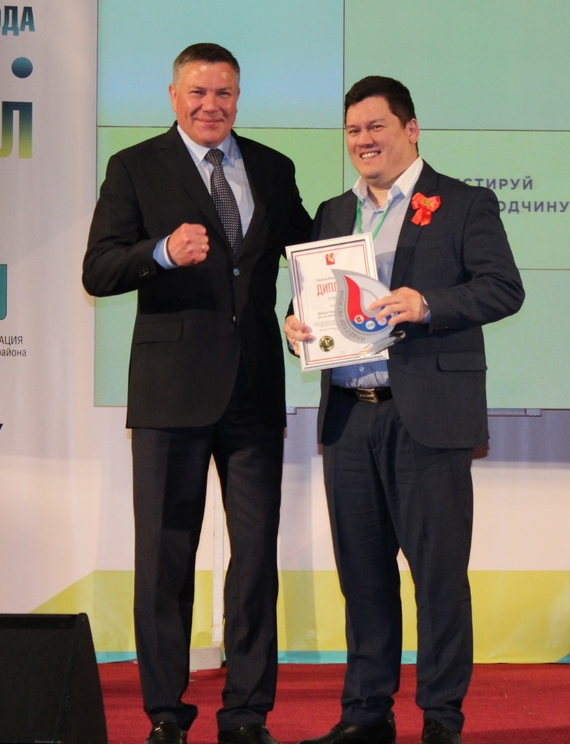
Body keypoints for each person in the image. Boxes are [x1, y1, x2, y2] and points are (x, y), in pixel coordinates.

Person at [82, 42, 311, 744]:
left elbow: (309, 254)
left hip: (254, 390)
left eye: (225, 93)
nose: (212, 105)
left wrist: (312, 311)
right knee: (164, 559)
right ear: (174, 96)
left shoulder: (272, 167)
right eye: (199, 92)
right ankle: (165, 713)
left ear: (239, 97)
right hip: (170, 392)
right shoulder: (135, 166)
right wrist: (159, 252)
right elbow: (98, 269)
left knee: (255, 560)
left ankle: (247, 713)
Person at [284, 76, 524, 744]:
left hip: (426, 417)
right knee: (361, 577)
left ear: (410, 130)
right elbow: (309, 299)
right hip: (348, 417)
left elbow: (503, 288)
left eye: (376, 127)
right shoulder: (334, 212)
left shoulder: (464, 203)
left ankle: (441, 718)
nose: (363, 140)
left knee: (437, 577)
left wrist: (428, 305)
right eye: (353, 130)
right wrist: (293, 324)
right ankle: (366, 714)